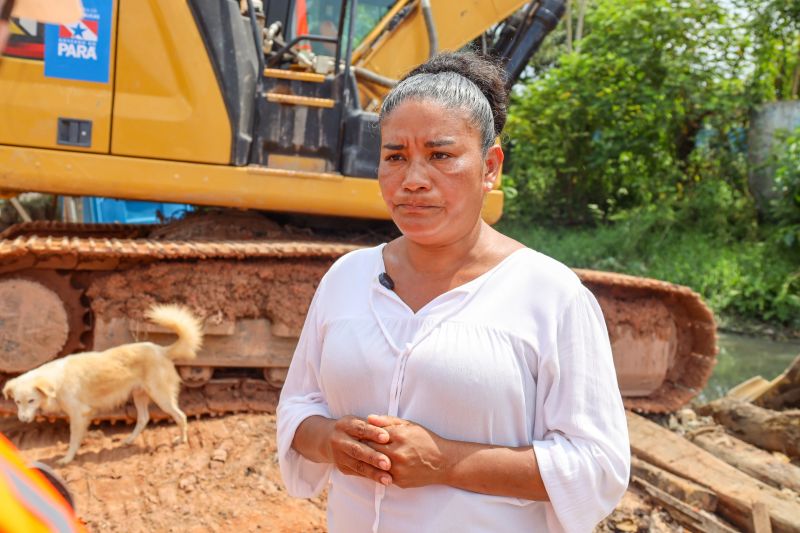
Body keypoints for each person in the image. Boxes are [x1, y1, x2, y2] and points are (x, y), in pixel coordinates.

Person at [277, 51, 630, 533]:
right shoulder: (346, 278)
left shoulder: (550, 295)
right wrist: (329, 441)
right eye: (395, 157)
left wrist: (446, 461)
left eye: (440, 155)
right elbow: (299, 405)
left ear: (490, 167)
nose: (413, 180)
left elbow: (597, 467)